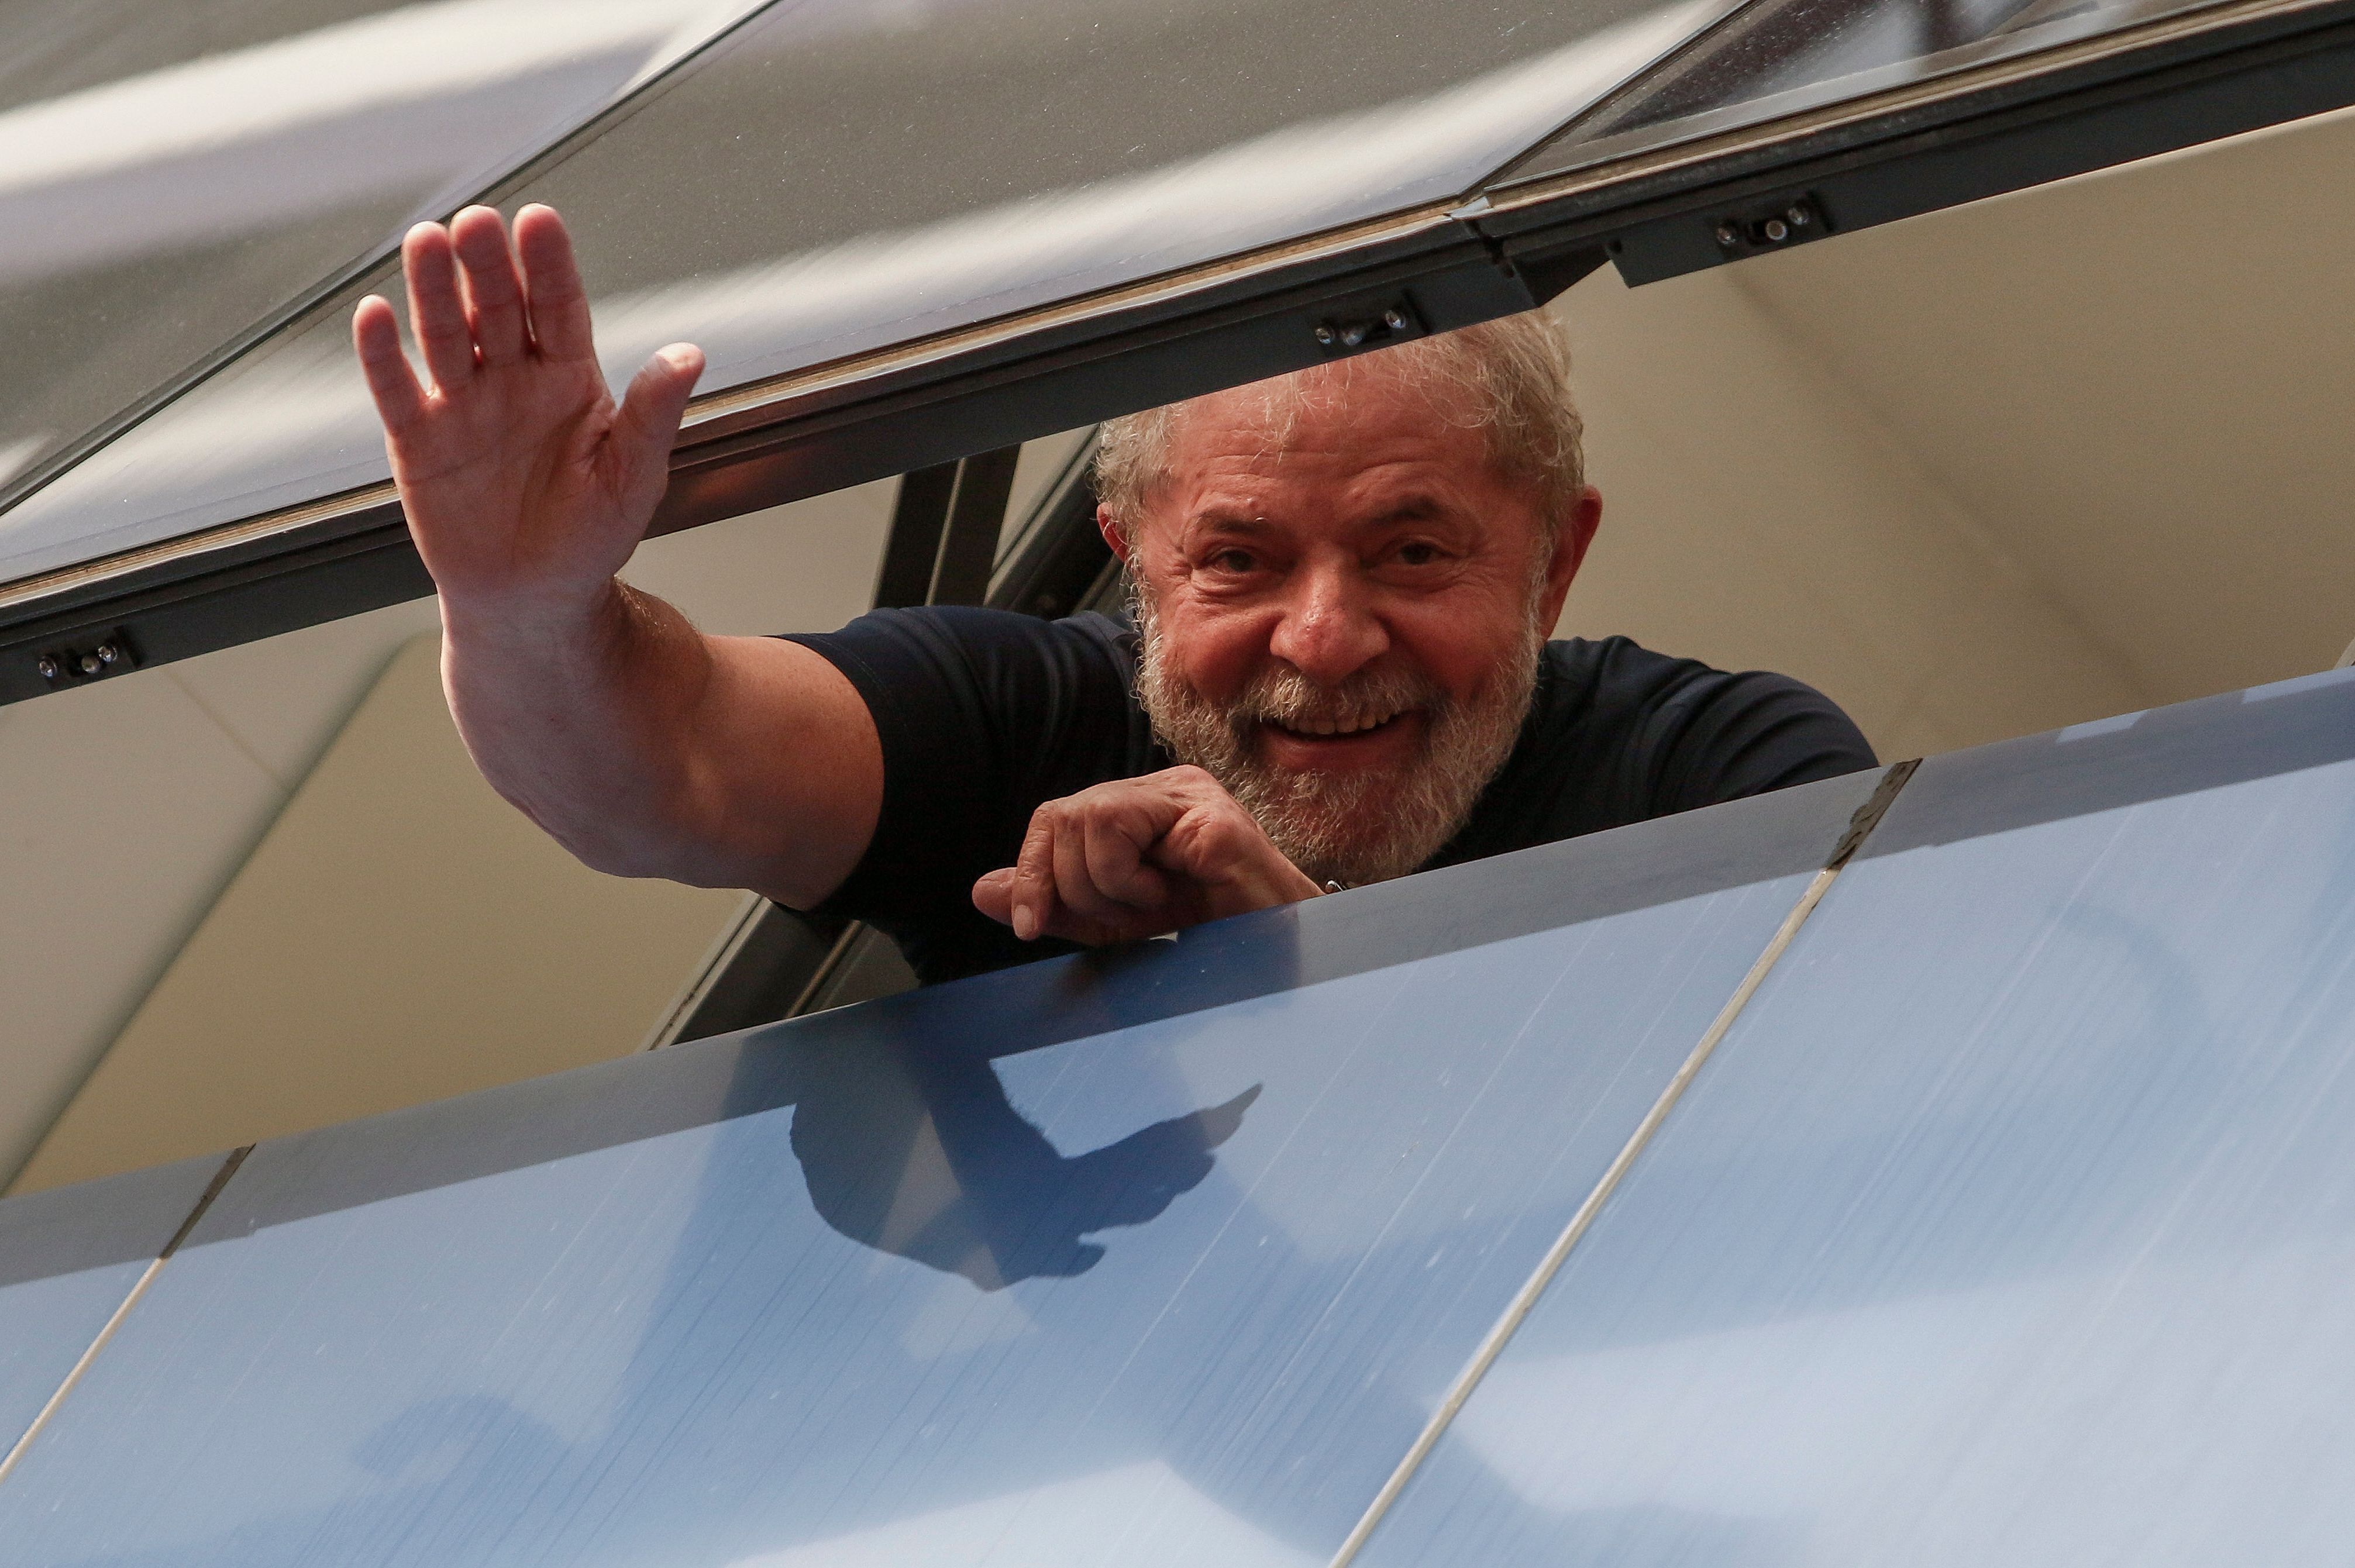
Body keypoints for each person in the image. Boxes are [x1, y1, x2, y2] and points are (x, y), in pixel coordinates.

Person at [354, 204, 1875, 986]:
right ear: (1130, 558)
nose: (1325, 637)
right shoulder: (1020, 718)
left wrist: (1289, 951)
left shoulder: (1724, 780)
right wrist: (522, 604)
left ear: (1554, 561)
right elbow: (658, 770)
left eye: (1414, 552)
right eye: (1238, 558)